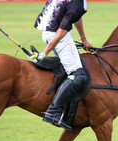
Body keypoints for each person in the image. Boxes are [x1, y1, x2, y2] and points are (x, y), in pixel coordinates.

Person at [33, 0, 92, 131]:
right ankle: (53, 111)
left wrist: (83, 38)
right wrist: (45, 53)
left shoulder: (76, 3)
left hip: (49, 32)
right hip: (57, 34)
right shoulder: (78, 2)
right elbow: (62, 31)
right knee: (78, 75)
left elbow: (75, 17)